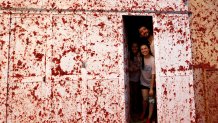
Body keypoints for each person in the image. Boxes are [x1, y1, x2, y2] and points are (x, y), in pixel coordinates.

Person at [139, 43, 155, 123]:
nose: (144, 50)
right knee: (145, 99)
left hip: (151, 83)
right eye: (142, 49)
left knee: (151, 99)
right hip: (143, 82)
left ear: (148, 49)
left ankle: (149, 117)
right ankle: (144, 112)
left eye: (145, 48)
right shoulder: (140, 59)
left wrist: (151, 88)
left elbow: (153, 75)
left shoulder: (153, 59)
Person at [128, 42, 141, 121]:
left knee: (137, 96)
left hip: (138, 79)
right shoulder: (128, 54)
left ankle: (137, 112)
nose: (134, 48)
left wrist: (129, 69)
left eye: (136, 46)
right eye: (133, 46)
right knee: (131, 95)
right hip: (129, 79)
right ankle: (131, 112)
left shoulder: (140, 55)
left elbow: (138, 66)